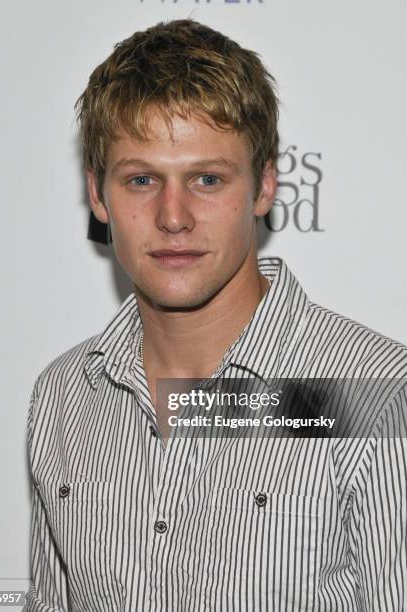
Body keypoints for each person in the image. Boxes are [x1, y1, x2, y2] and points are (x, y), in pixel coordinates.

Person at [24, 19, 407, 612]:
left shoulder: (373, 394)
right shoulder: (64, 398)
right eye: (142, 179)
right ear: (98, 195)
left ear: (264, 187)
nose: (173, 217)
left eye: (207, 178)